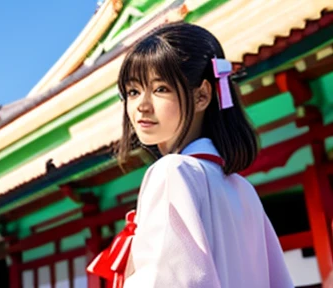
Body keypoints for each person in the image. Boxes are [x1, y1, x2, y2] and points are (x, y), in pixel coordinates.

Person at [87, 22, 294, 288]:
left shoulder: (172, 171)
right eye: (133, 92)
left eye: (160, 88)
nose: (142, 105)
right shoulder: (244, 190)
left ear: (202, 96)